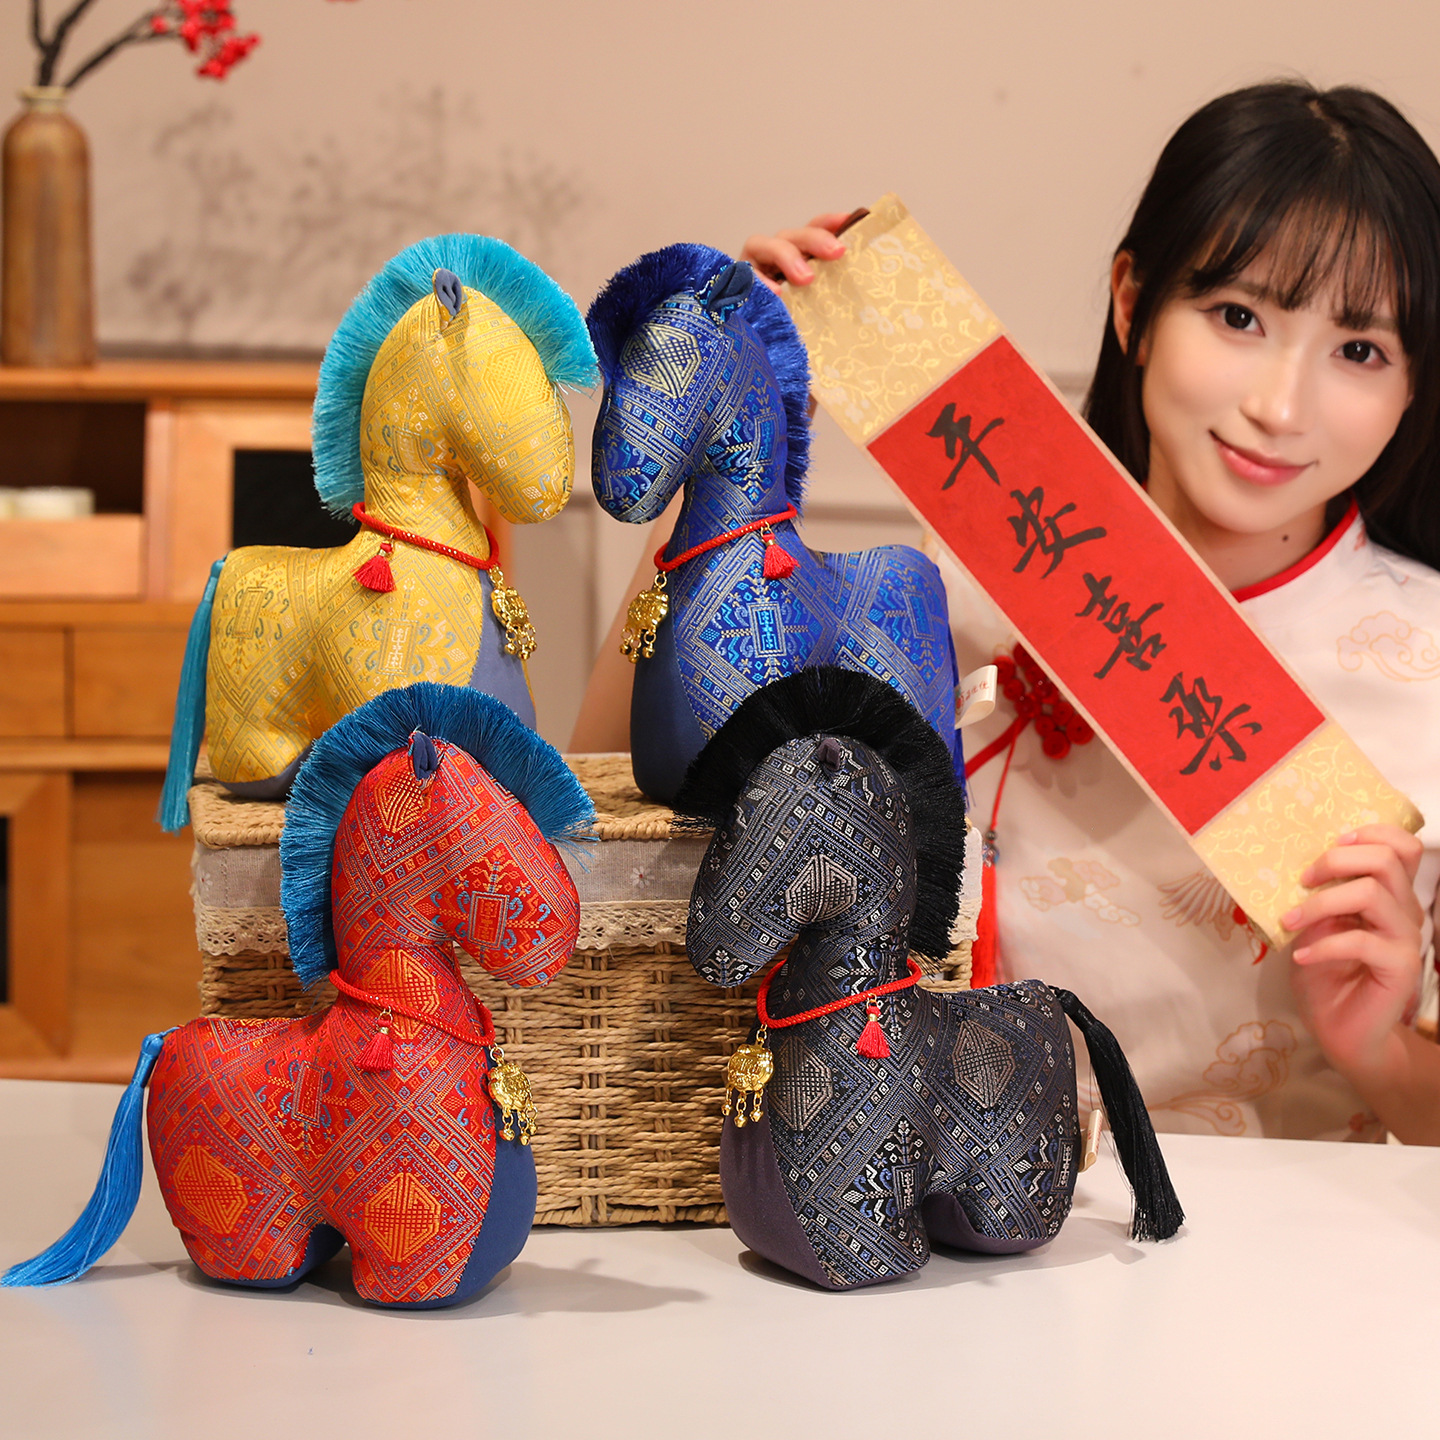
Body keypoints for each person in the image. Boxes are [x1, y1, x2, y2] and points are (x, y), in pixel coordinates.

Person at [739, 81, 1440, 1143]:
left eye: (1360, 351)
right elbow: (632, 791)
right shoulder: (963, 566)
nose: (1280, 407)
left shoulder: (1424, 668)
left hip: (1266, 1237)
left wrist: (1378, 1050)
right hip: (911, 1207)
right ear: (1131, 303)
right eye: (1238, 317)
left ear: (1414, 388)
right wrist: (734, 436)